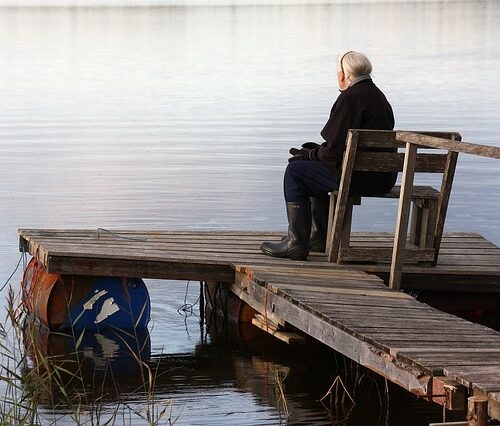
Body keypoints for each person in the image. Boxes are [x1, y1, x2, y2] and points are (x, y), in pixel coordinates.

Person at [260, 51, 396, 261]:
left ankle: (296, 243)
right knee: (309, 166)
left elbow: (331, 152)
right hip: (382, 178)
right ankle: (317, 238)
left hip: (358, 178)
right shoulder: (378, 97)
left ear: (343, 75)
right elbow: (339, 147)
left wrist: (308, 156)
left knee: (296, 172)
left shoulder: (350, 98)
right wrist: (312, 153)